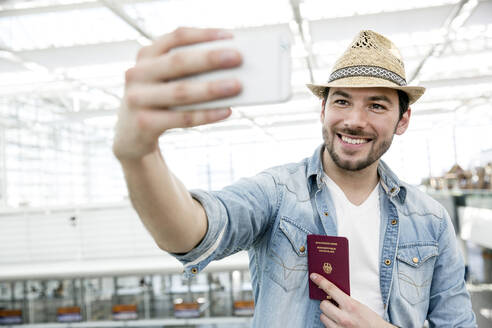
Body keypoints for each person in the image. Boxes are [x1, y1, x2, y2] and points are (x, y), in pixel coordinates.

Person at [113, 28, 477, 327]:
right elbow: (194, 231)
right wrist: (140, 158)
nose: (354, 119)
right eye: (341, 101)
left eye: (377, 105)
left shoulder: (431, 221)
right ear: (322, 109)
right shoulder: (277, 194)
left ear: (403, 120)